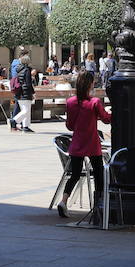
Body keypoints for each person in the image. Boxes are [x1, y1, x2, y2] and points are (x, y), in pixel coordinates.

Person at [57, 70, 109, 219]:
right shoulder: (94, 102)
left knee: (74, 175)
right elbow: (105, 119)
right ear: (90, 84)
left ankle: (64, 201)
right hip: (92, 142)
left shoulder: (71, 102)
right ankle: (98, 205)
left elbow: (70, 126)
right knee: (99, 175)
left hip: (77, 142)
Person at [10, 53, 36, 133]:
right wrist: (32, 92)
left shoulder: (19, 69)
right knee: (26, 111)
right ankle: (14, 121)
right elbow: (28, 83)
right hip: (25, 92)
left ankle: (25, 126)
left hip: (19, 92)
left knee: (26, 110)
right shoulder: (27, 70)